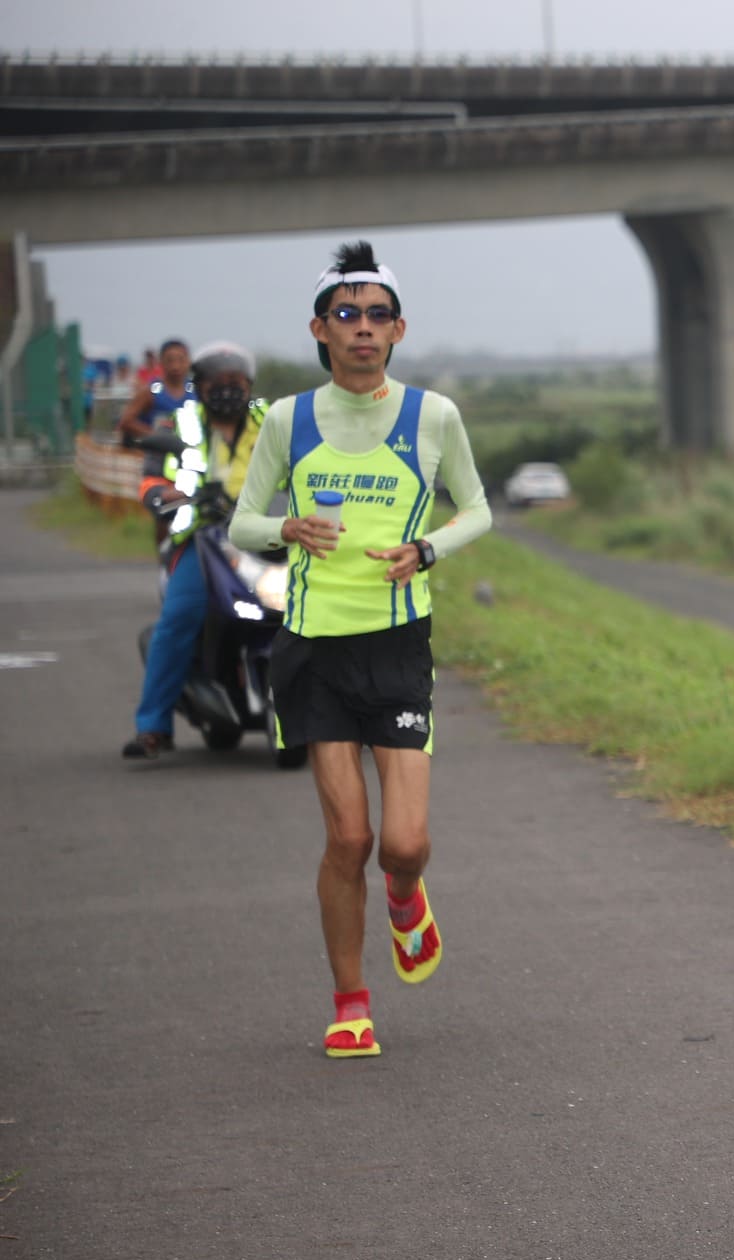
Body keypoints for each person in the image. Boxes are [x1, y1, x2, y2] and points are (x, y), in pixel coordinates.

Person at [228, 241, 492, 1059]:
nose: (364, 329)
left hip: (397, 643)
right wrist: (287, 528)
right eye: (348, 315)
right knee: (348, 838)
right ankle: (351, 1002)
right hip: (312, 646)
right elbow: (241, 521)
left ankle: (406, 898)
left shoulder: (432, 416)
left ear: (399, 329)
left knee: (401, 842)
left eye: (379, 316)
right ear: (321, 328)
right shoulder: (287, 419)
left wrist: (430, 549)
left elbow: (477, 509)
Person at [121, 342, 269, 759]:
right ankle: (153, 726)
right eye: (218, 383)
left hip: (268, 538)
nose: (228, 390)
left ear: (250, 386)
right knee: (179, 619)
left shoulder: (270, 421)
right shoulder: (181, 425)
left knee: (328, 610)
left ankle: (348, 717)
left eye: (237, 382)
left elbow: (306, 465)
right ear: (199, 387)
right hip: (204, 541)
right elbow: (153, 480)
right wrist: (164, 498)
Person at [118, 339, 193, 445]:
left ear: (188, 361)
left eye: (181, 360)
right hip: (156, 454)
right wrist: (155, 437)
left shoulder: (196, 391)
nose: (176, 366)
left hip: (189, 453)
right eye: (170, 361)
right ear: (161, 362)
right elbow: (126, 422)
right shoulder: (151, 391)